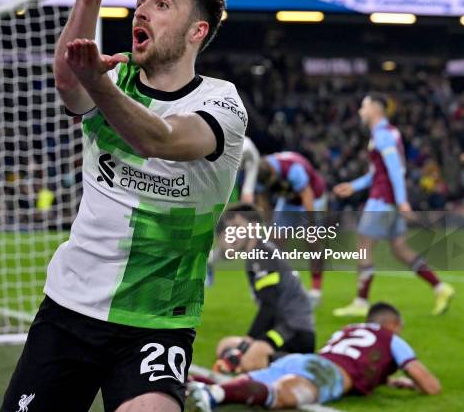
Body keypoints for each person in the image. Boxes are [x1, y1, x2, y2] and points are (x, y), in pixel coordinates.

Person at [1, 0, 247, 412]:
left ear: (197, 31)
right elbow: (69, 85)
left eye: (162, 4)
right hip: (69, 308)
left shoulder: (222, 102)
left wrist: (97, 83)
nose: (143, 12)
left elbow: (162, 140)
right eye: (140, 2)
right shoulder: (112, 78)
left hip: (158, 320)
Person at [187, 302, 441, 411]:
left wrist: (391, 382)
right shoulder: (392, 338)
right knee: (281, 397)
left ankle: (189, 384)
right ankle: (211, 395)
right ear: (393, 324)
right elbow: (430, 386)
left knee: (248, 386)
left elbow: (355, 360)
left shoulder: (350, 328)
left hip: (301, 360)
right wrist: (417, 381)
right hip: (326, 373)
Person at [333, 94, 454, 317]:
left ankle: (361, 302)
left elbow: (396, 171)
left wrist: (402, 201)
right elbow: (376, 172)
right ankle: (440, 287)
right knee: (400, 249)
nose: (360, 111)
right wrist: (353, 186)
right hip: (388, 200)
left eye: (363, 106)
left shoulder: (382, 136)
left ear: (375, 110)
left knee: (363, 245)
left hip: (382, 201)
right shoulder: (387, 133)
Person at [212, 204, 315, 375]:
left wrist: (250, 338)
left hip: (293, 330)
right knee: (225, 345)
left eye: (237, 227)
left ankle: (297, 364)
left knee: (249, 363)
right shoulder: (257, 253)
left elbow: (269, 306)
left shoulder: (262, 255)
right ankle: (270, 359)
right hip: (279, 328)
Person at [256, 151, 327, 305]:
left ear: (274, 172)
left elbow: (307, 197)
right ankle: (275, 285)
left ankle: (316, 290)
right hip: (288, 201)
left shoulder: (294, 169)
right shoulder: (260, 171)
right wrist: (269, 224)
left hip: (312, 198)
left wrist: (312, 226)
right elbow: (263, 200)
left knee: (313, 242)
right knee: (273, 243)